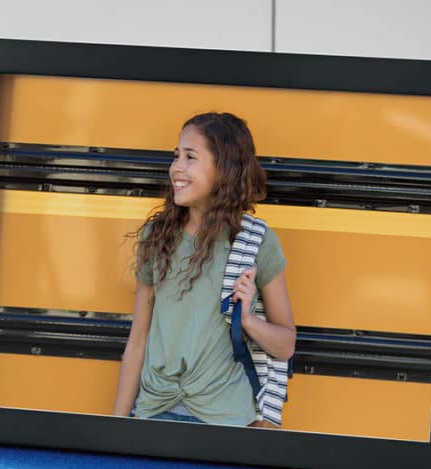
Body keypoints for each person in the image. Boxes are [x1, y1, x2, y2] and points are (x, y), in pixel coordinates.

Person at [112, 112, 296, 427]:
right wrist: (116, 426)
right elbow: (138, 339)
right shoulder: (156, 237)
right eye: (176, 156)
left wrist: (248, 320)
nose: (176, 168)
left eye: (190, 157)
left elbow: (285, 344)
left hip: (226, 421)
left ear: (223, 170)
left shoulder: (256, 243)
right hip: (155, 410)